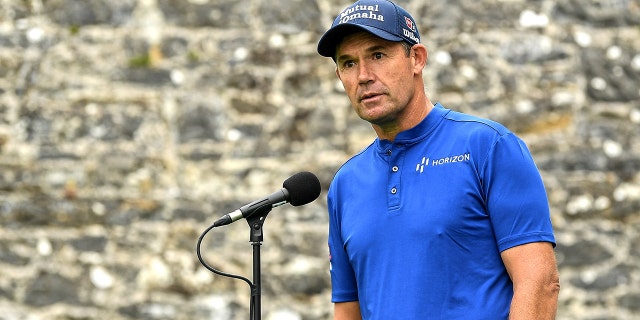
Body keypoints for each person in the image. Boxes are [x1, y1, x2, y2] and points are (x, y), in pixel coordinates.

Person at [317, 0, 560, 319]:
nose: (363, 76)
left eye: (378, 55)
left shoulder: (488, 147)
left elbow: (539, 283)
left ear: (416, 59)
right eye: (349, 63)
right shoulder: (346, 184)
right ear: (339, 76)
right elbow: (348, 309)